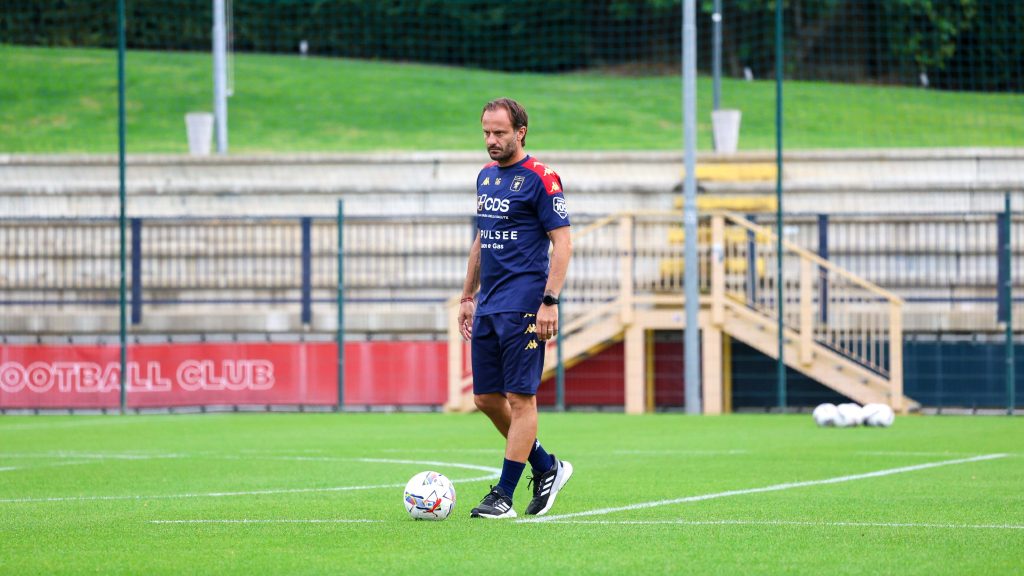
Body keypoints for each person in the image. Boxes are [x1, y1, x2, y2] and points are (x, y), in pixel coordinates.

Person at [458, 97, 574, 519]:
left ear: (520, 132)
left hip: (525, 305)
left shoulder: (542, 178)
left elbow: (563, 242)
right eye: (486, 132)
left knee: (521, 399)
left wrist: (550, 301)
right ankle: (546, 466)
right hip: (489, 303)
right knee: (486, 398)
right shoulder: (485, 177)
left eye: (500, 133)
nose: (491, 140)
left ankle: (503, 495)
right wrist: (467, 296)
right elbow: (481, 240)